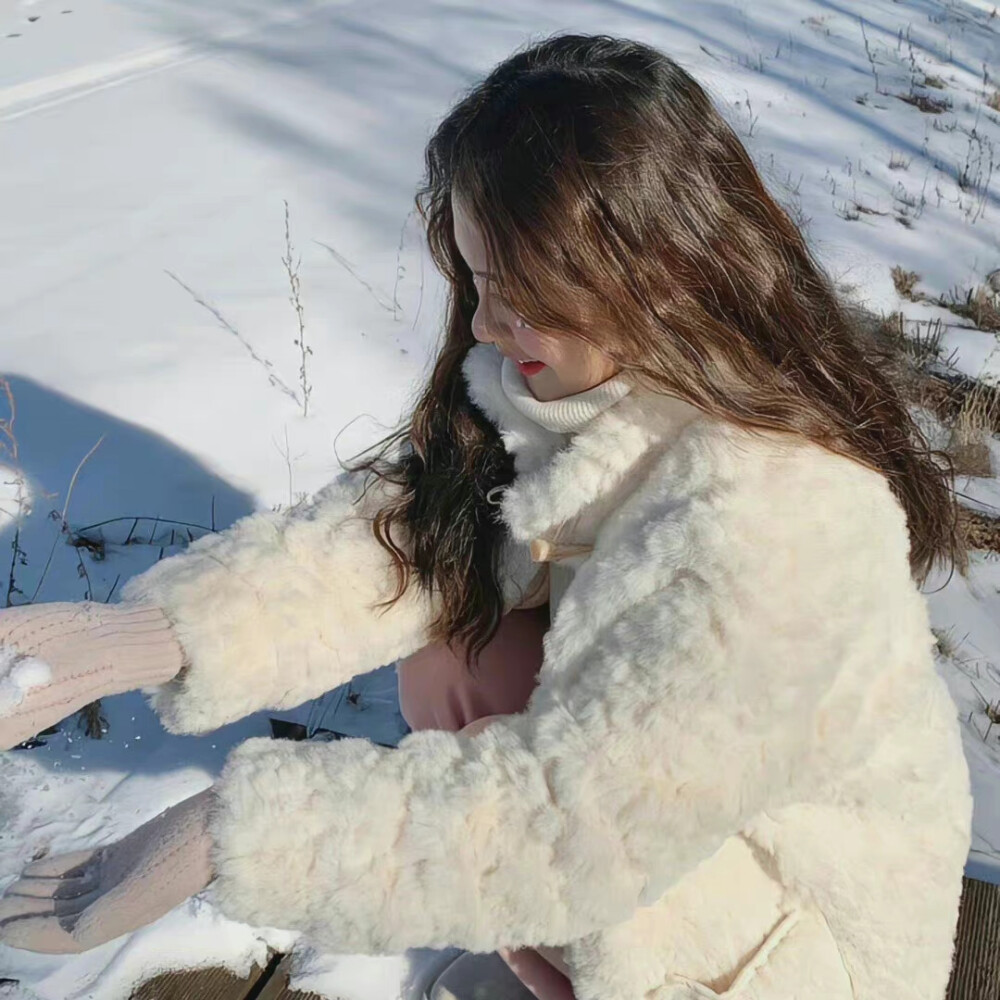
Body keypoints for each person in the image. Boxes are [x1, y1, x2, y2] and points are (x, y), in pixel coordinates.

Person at [0, 33, 973, 1000]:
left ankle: (633, 968)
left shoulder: (776, 514)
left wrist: (232, 833)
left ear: (658, 272)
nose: (481, 325)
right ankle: (570, 962)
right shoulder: (608, 388)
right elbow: (409, 533)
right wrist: (152, 634)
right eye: (478, 281)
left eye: (518, 293)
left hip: (801, 959)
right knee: (462, 639)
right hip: (666, 826)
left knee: (513, 760)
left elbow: (573, 826)